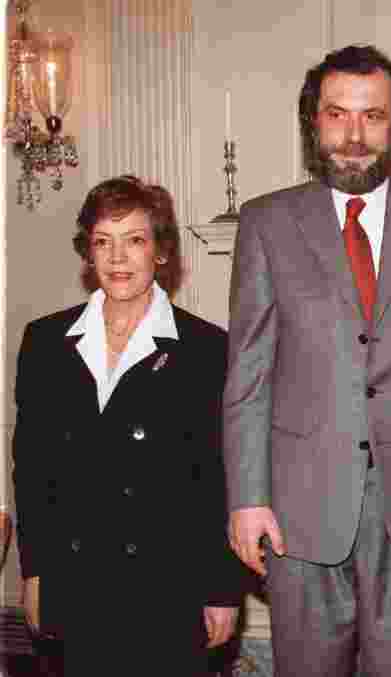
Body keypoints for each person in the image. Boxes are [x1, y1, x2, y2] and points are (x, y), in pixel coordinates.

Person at [223, 44, 391, 677]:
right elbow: (248, 374)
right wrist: (247, 497)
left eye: (372, 117)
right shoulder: (266, 223)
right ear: (313, 123)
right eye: (337, 114)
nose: (353, 135)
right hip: (298, 513)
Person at [12, 176, 243, 675]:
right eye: (103, 242)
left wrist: (221, 588)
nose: (118, 258)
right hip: (73, 584)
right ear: (88, 253)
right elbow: (31, 471)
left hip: (166, 590)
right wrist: (35, 572)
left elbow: (222, 479)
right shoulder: (46, 342)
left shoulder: (207, 350)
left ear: (160, 251)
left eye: (134, 240)